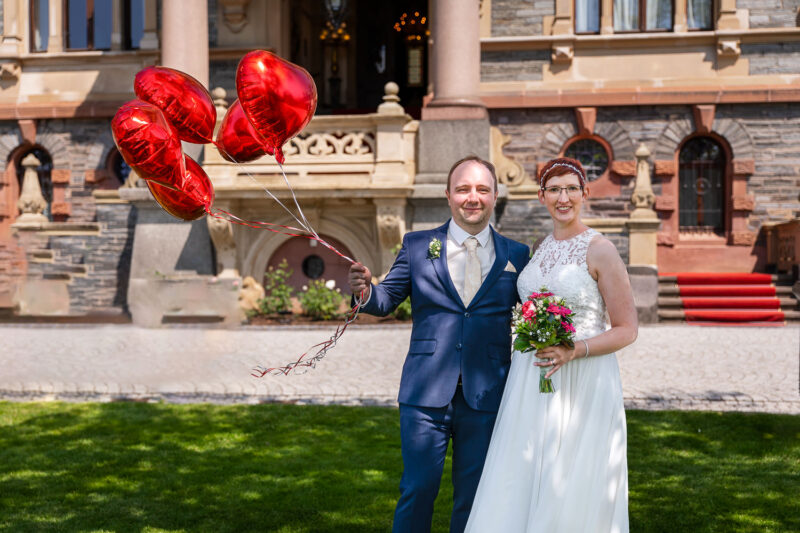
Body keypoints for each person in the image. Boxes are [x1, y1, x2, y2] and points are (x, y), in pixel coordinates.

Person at [348, 156, 530, 533]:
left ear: (495, 195)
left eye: (482, 189)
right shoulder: (418, 246)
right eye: (463, 189)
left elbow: (533, 315)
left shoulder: (517, 255)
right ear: (448, 195)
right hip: (424, 392)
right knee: (417, 489)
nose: (472, 197)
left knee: (476, 495)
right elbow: (384, 301)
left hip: (488, 395)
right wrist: (366, 290)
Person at [464, 157, 638, 532]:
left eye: (572, 188)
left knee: (571, 473)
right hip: (531, 376)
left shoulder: (601, 249)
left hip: (582, 376)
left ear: (584, 193)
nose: (564, 197)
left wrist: (574, 349)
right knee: (523, 466)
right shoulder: (539, 247)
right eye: (555, 189)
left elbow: (627, 329)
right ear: (542, 196)